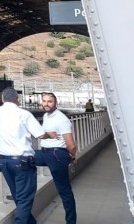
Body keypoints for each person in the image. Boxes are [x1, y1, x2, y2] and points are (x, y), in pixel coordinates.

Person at [0, 87, 48, 224]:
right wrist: (51, 134)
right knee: (24, 198)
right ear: (18, 100)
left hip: (3, 162)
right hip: (22, 162)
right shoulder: (24, 114)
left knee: (18, 196)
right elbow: (40, 134)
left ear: (2, 99)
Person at [36, 93, 78, 224]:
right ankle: (21, 192)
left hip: (57, 155)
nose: (46, 104)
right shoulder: (46, 115)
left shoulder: (61, 119)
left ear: (56, 103)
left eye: (50, 101)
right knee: (23, 158)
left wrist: (72, 156)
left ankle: (71, 221)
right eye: (44, 101)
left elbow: (71, 145)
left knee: (64, 190)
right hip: (44, 153)